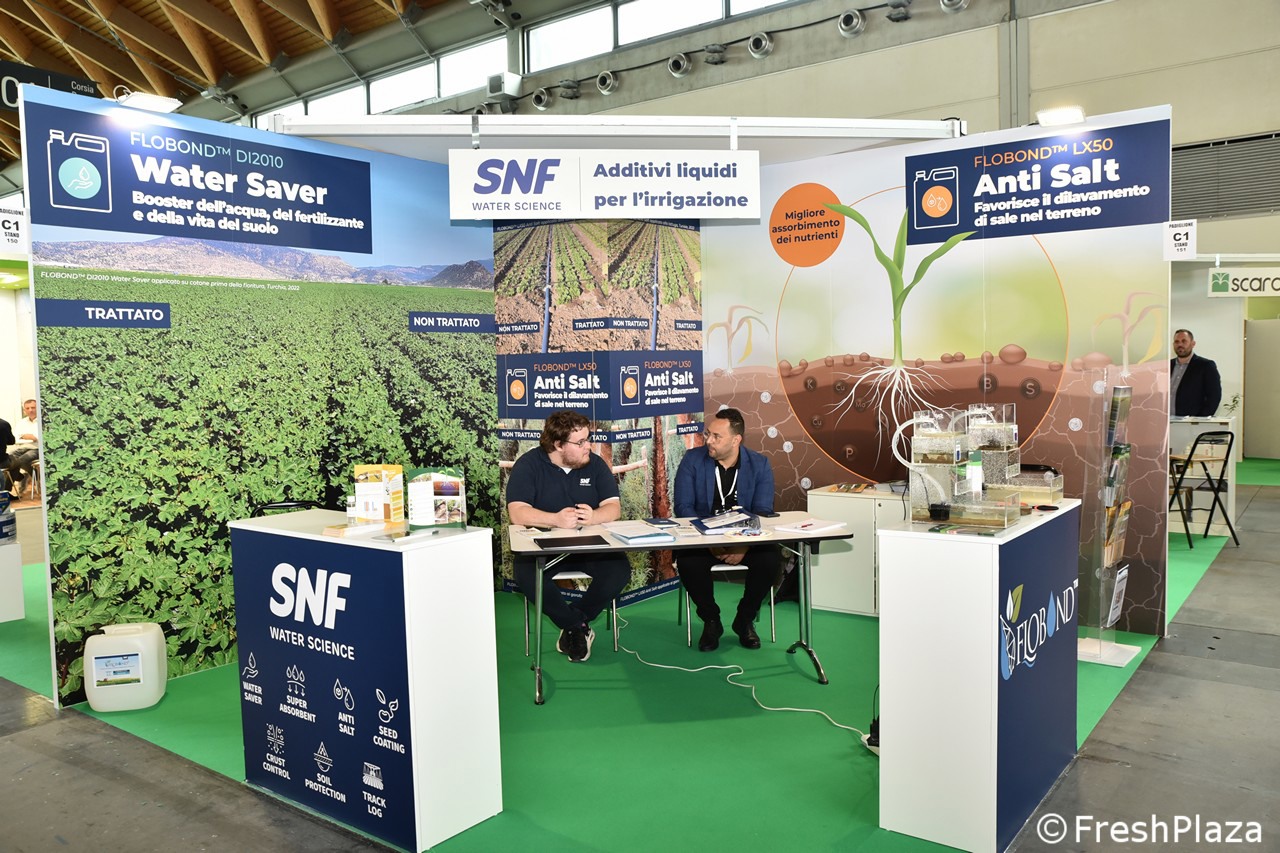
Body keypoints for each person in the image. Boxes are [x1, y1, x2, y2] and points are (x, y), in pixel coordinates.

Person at [506, 410, 630, 663]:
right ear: (558, 444)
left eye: (588, 439)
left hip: (589, 546)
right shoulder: (528, 465)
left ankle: (575, 624)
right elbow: (517, 512)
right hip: (544, 548)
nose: (588, 446)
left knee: (619, 570)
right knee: (526, 574)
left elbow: (613, 507)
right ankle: (577, 627)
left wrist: (594, 516)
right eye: (580, 442)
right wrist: (555, 519)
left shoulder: (595, 464)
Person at [674, 407, 780, 651]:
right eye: (707, 434)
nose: (708, 441)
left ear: (736, 440)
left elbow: (762, 511)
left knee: (769, 559)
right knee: (688, 561)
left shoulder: (759, 464)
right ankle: (711, 620)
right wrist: (710, 543)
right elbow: (683, 507)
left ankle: (744, 620)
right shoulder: (692, 460)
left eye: (716, 436)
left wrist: (743, 546)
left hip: (744, 539)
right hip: (703, 538)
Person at [1170, 329, 1222, 417]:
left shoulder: (1206, 366)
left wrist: (1200, 419)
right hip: (1164, 421)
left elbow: (1214, 396)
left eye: (1184, 341)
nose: (1180, 344)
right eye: (1177, 342)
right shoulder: (1167, 365)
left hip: (1190, 422)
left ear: (1193, 344)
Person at [6, 399, 39, 494]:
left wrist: (31, 437)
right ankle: (26, 476)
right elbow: (16, 437)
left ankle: (6, 490)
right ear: (24, 410)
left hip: (37, 448)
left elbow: (38, 438)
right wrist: (29, 436)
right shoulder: (21, 422)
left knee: (21, 461)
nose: (30, 410)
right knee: (8, 459)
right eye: (27, 408)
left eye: (33, 407)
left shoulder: (43, 421)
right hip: (23, 447)